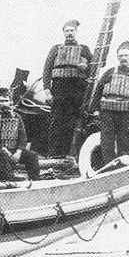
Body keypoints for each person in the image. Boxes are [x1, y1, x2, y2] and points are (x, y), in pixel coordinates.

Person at [42, 20, 94, 156]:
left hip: (77, 89)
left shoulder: (84, 49)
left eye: (72, 30)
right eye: (67, 31)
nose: (69, 33)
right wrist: (47, 89)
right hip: (59, 88)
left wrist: (86, 67)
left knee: (74, 123)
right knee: (56, 122)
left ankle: (72, 155)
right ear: (63, 33)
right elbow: (47, 70)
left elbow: (95, 68)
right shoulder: (55, 49)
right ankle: (54, 155)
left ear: (76, 32)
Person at [0, 88, 41, 182]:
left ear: (11, 101)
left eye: (6, 101)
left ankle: (35, 180)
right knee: (3, 156)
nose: (4, 103)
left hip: (13, 148)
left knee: (32, 156)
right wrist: (2, 148)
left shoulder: (17, 117)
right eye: (1, 101)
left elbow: (23, 137)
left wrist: (19, 151)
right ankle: (9, 179)